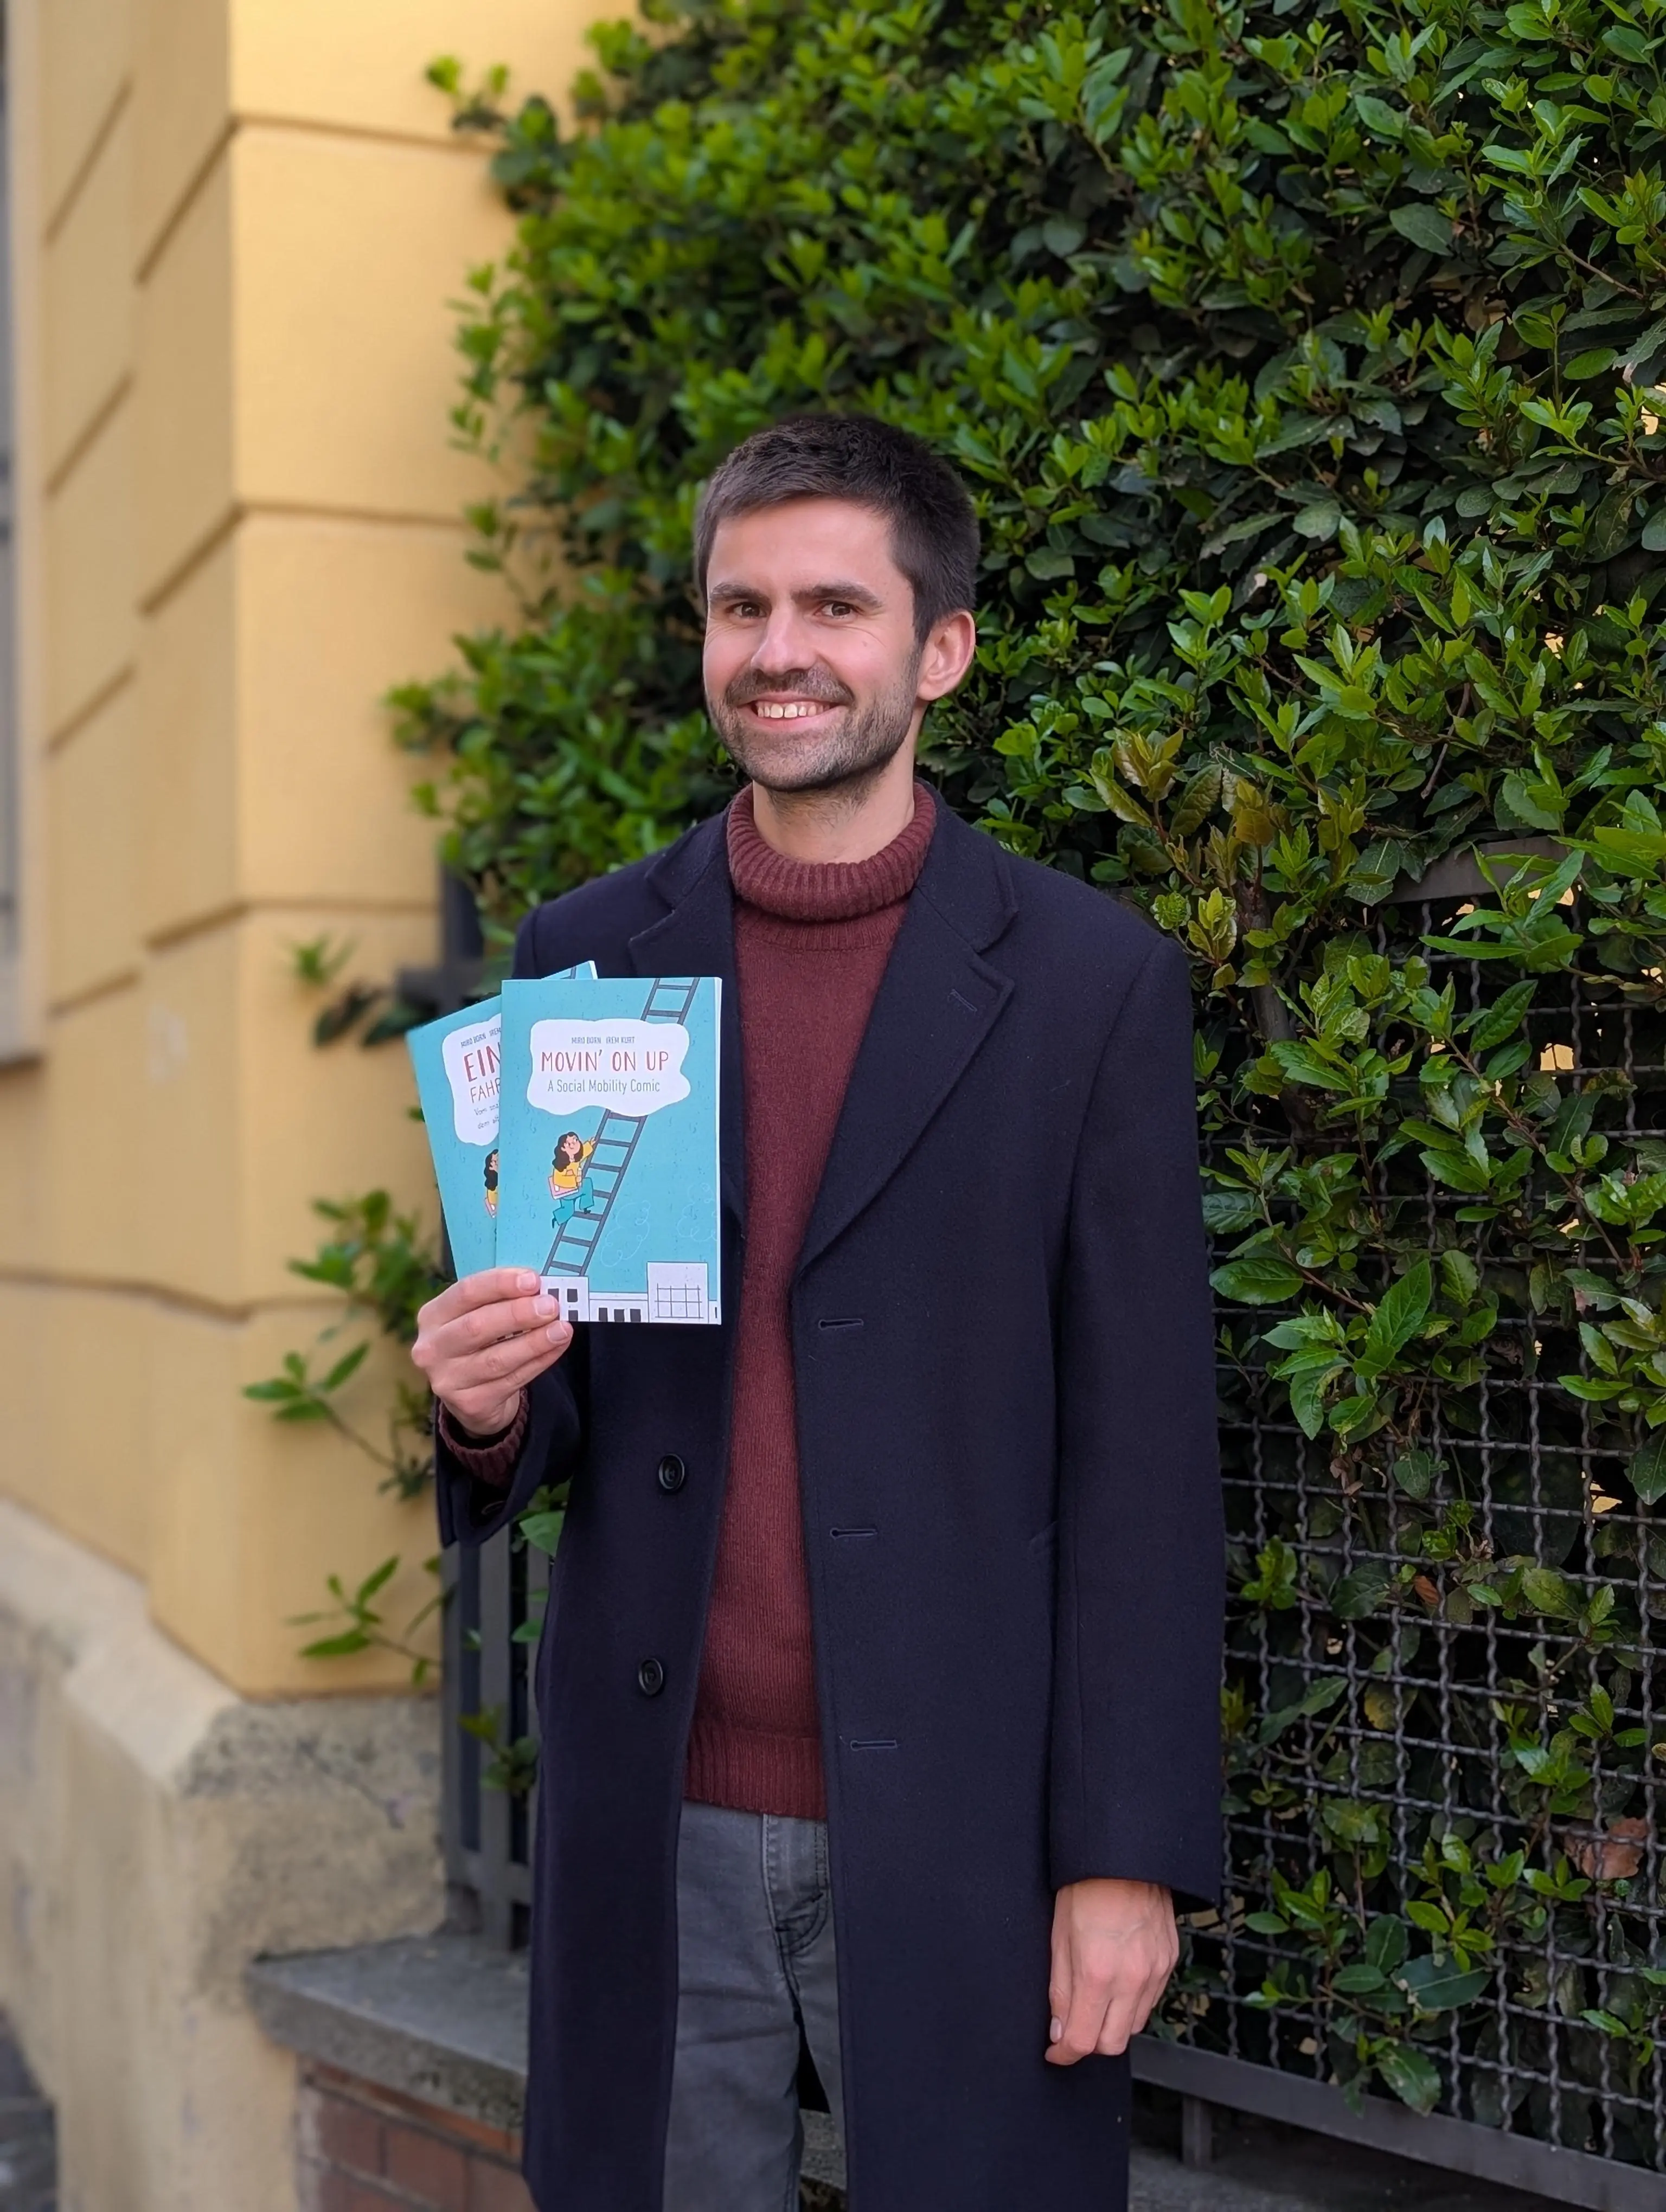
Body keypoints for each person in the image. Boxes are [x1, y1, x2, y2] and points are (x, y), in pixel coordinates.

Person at [411, 414, 1223, 2212]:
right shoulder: (587, 954)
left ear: (939, 650)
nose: (778, 651)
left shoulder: (1090, 983)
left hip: (965, 1830)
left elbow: (1147, 1461)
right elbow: (564, 1385)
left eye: (834, 606)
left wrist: (1126, 1861)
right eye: (740, 606)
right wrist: (482, 1401)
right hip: (657, 1806)